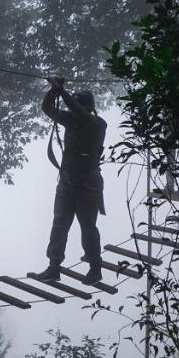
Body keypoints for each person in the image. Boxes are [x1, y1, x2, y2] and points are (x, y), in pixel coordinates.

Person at [36, 76, 106, 284]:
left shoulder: (97, 124)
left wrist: (61, 90)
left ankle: (95, 269)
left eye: (78, 108)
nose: (73, 113)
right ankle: (53, 267)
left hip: (87, 186)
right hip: (66, 184)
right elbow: (46, 108)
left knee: (88, 228)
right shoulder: (72, 120)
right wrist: (54, 91)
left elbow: (79, 111)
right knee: (59, 226)